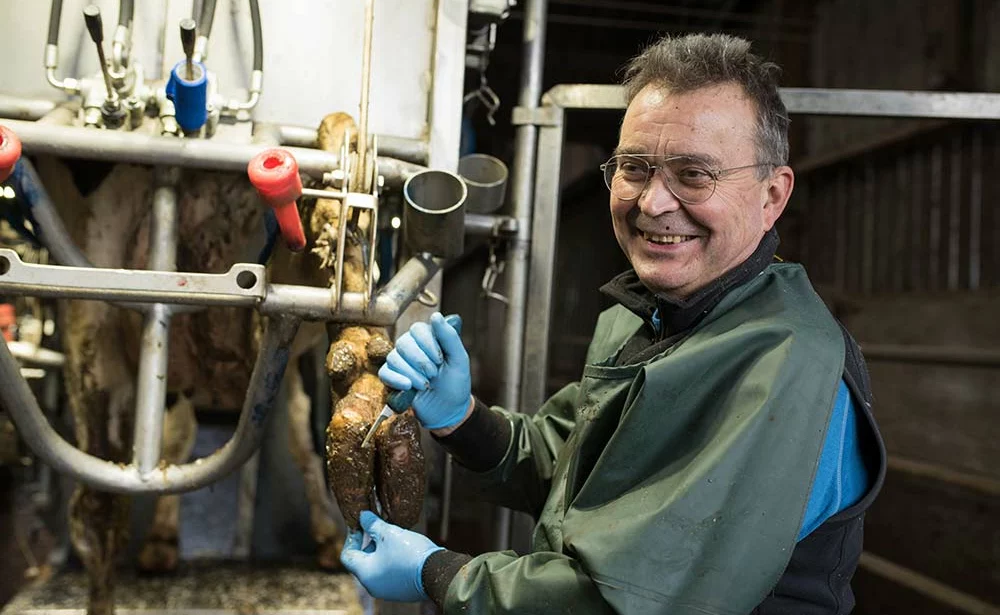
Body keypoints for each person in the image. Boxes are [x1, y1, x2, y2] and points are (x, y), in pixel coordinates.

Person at [340, 33, 886, 614]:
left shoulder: (786, 367)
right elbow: (570, 469)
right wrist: (461, 418)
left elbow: (630, 602)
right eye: (634, 168)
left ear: (772, 195)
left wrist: (438, 574)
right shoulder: (652, 316)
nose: (653, 203)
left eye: (694, 175)